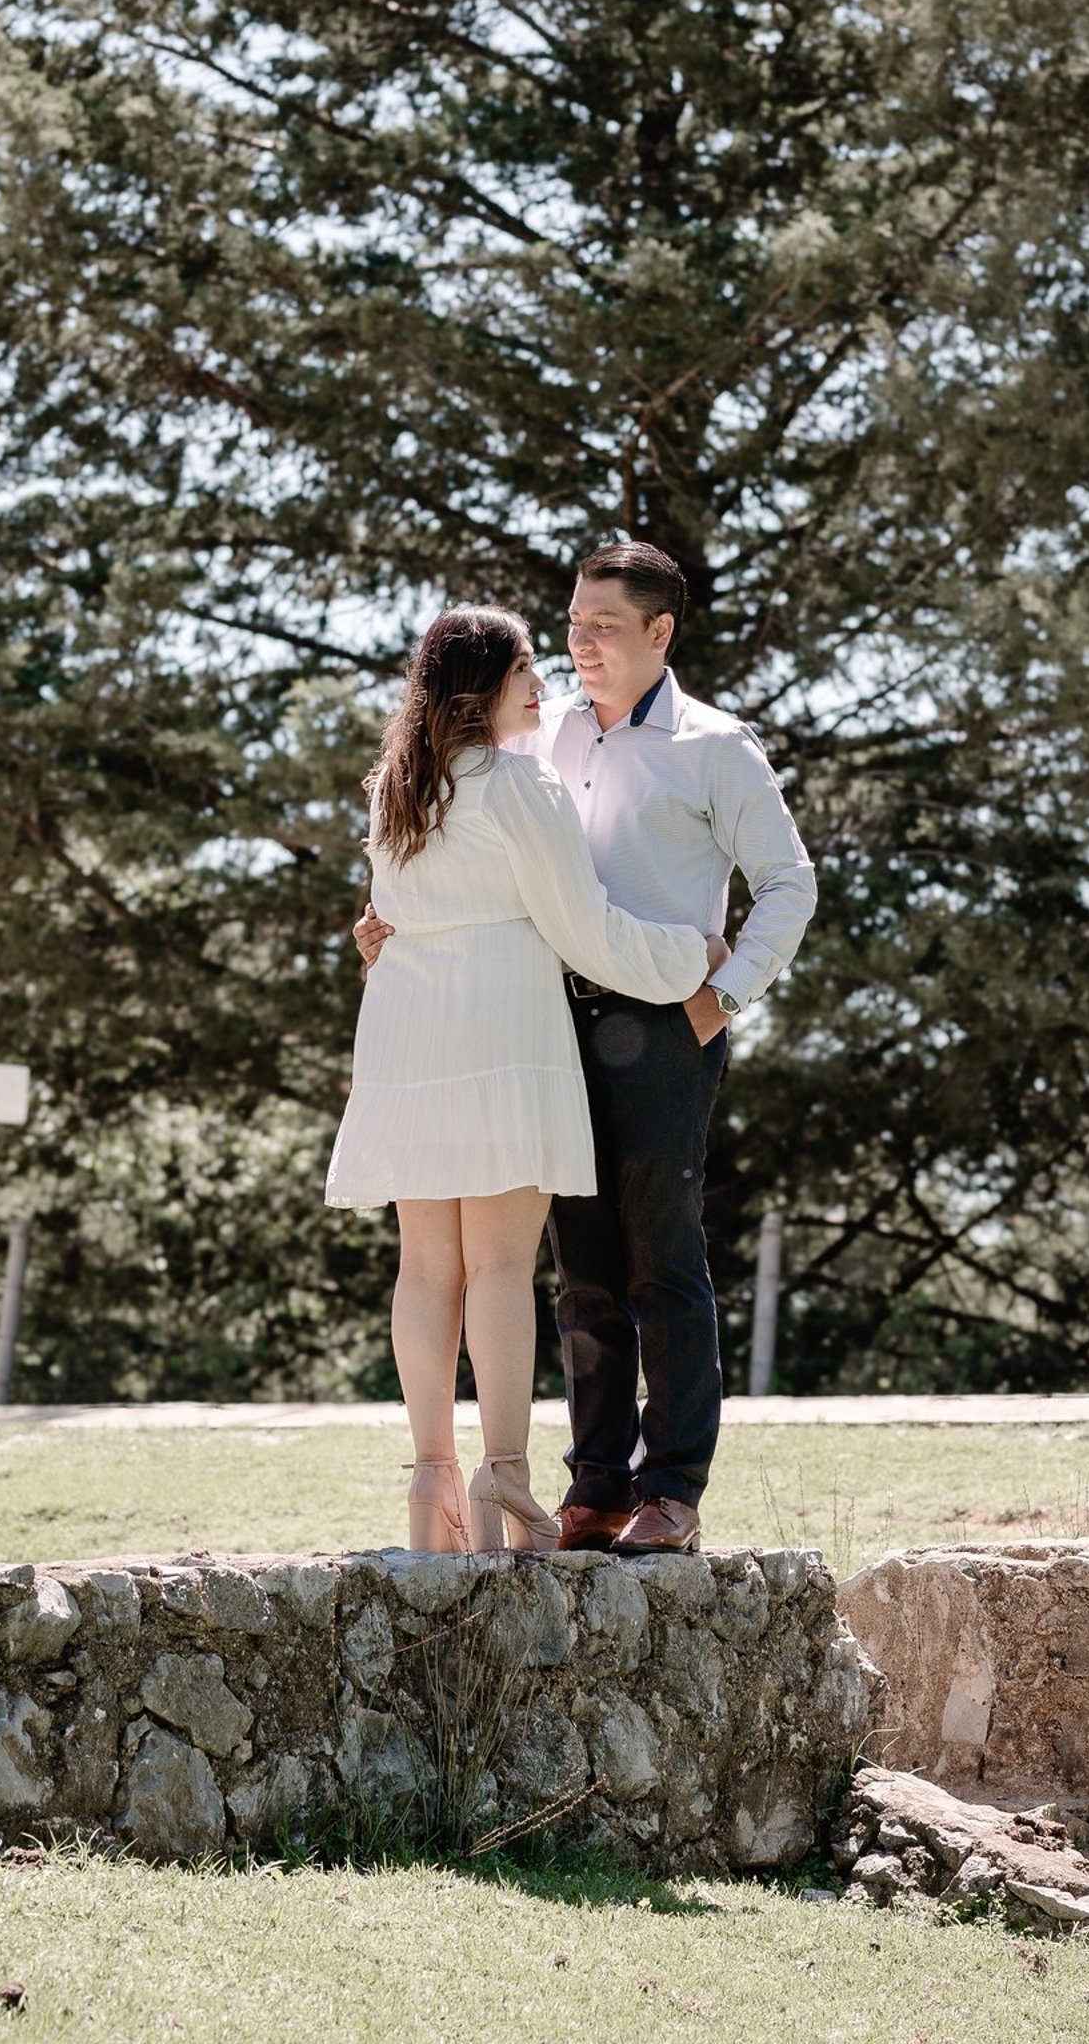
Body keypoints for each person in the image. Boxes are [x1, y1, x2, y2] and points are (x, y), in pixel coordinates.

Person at [357, 542, 816, 1555]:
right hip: (541, 1022)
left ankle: (673, 1490)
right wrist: (389, 922)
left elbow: (790, 885)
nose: (579, 644)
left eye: (603, 627)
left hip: (664, 1023)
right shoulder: (538, 736)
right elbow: (459, 831)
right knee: (581, 1272)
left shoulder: (716, 746)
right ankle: (595, 1487)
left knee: (663, 1259)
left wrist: (723, 998)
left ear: (662, 633)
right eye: (571, 624)